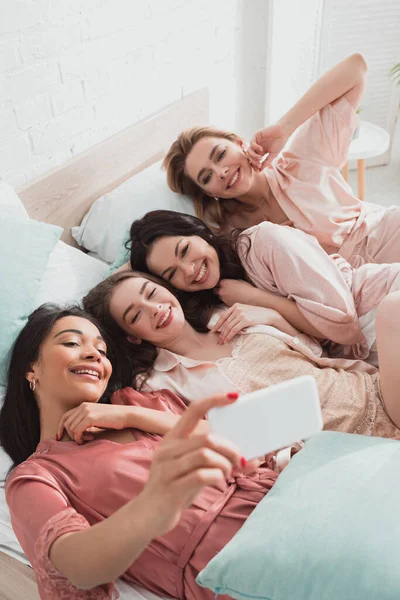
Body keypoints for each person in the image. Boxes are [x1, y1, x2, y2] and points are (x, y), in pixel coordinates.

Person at [0, 304, 277, 600]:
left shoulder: (140, 402)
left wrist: (132, 416)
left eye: (102, 350)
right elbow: (75, 566)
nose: (96, 354)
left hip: (282, 498)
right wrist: (154, 506)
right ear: (32, 368)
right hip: (236, 563)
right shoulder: (36, 476)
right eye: (71, 342)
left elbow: (249, 443)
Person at [83, 270, 400, 441]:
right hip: (330, 443)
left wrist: (271, 316)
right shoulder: (157, 384)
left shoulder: (228, 316)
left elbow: (314, 352)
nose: (155, 309)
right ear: (131, 335)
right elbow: (198, 435)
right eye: (135, 314)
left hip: (373, 393)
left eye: (152, 293)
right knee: (393, 307)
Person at [164, 53, 400, 268]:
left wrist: (285, 127)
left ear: (239, 143)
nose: (221, 172)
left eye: (220, 155)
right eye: (207, 176)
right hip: (355, 287)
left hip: (383, 235)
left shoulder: (300, 159)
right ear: (207, 192)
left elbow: (356, 68)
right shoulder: (234, 236)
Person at [127, 209, 400, 366]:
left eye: (185, 250)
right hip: (369, 348)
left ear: (200, 231)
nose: (189, 270)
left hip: (380, 301)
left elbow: (344, 327)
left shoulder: (265, 241)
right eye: (172, 272)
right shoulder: (211, 305)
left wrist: (257, 299)